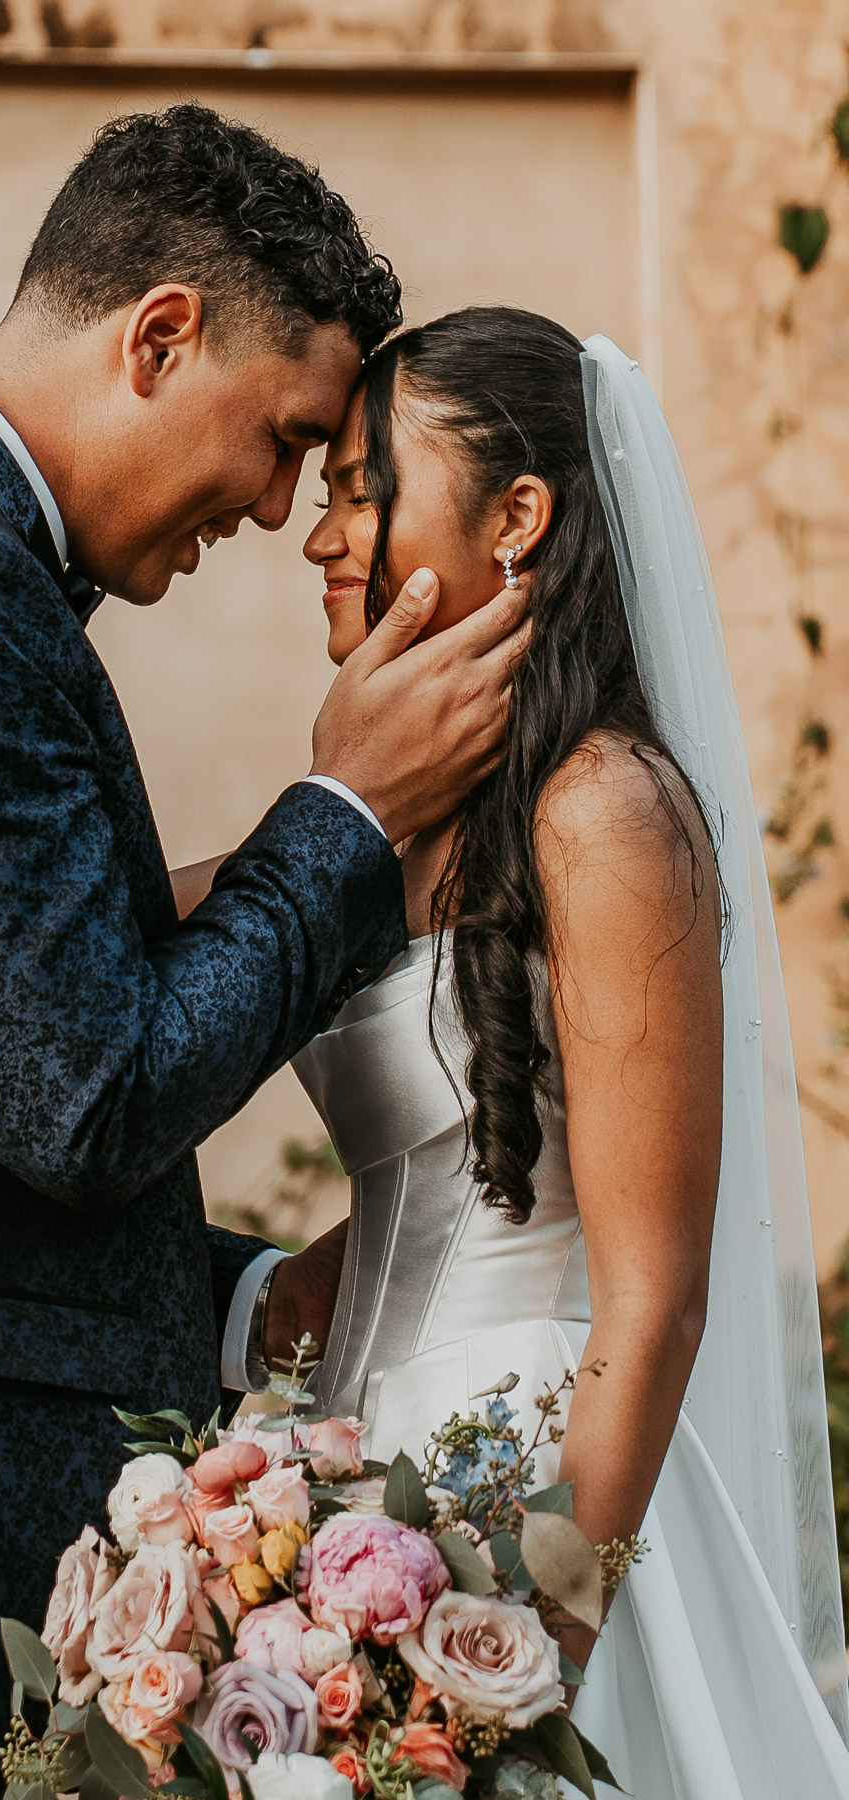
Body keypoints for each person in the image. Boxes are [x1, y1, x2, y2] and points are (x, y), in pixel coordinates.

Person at [0, 112, 527, 1798]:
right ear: (160, 333)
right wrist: (340, 813)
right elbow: (89, 1092)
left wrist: (254, 1298)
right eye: (280, 440)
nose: (282, 510)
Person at [209, 307, 849, 1795]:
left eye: (364, 486)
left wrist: (528, 1654)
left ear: (518, 519)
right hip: (357, 1490)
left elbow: (655, 1298)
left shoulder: (605, 812)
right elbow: (150, 919)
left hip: (543, 1480)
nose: (322, 533)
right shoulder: (399, 823)